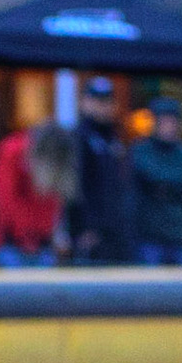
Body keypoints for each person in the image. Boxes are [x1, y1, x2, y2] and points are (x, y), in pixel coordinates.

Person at [130, 97, 182, 266]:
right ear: (154, 122)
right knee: (148, 289)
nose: (169, 126)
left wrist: (164, 186)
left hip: (180, 234)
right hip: (150, 235)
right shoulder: (140, 151)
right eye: (164, 121)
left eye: (173, 121)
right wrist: (173, 184)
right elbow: (148, 176)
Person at [0, 121, 73, 267]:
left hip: (43, 244)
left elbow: (54, 196)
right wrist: (30, 237)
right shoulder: (10, 152)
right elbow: (5, 204)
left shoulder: (58, 156)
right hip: (12, 243)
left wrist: (54, 231)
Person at [68, 78, 130, 264]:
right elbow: (76, 186)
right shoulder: (79, 137)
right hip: (90, 234)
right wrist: (84, 227)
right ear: (85, 102)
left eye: (107, 101)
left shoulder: (114, 137)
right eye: (97, 101)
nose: (103, 106)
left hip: (116, 231)